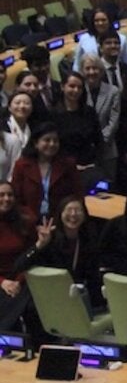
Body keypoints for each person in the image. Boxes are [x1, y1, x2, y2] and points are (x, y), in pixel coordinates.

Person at [11, 124, 79, 220]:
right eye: (47, 140)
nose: (52, 144)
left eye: (55, 141)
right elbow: (16, 197)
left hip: (61, 220)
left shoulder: (68, 165)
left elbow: (76, 194)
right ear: (36, 143)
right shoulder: (22, 166)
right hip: (28, 221)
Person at [0, 182, 34, 330]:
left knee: (31, 306)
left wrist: (18, 281)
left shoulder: (24, 221)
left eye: (10, 195)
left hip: (21, 279)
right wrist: (2, 282)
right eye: (1, 195)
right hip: (1, 280)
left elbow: (30, 256)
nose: (6, 199)